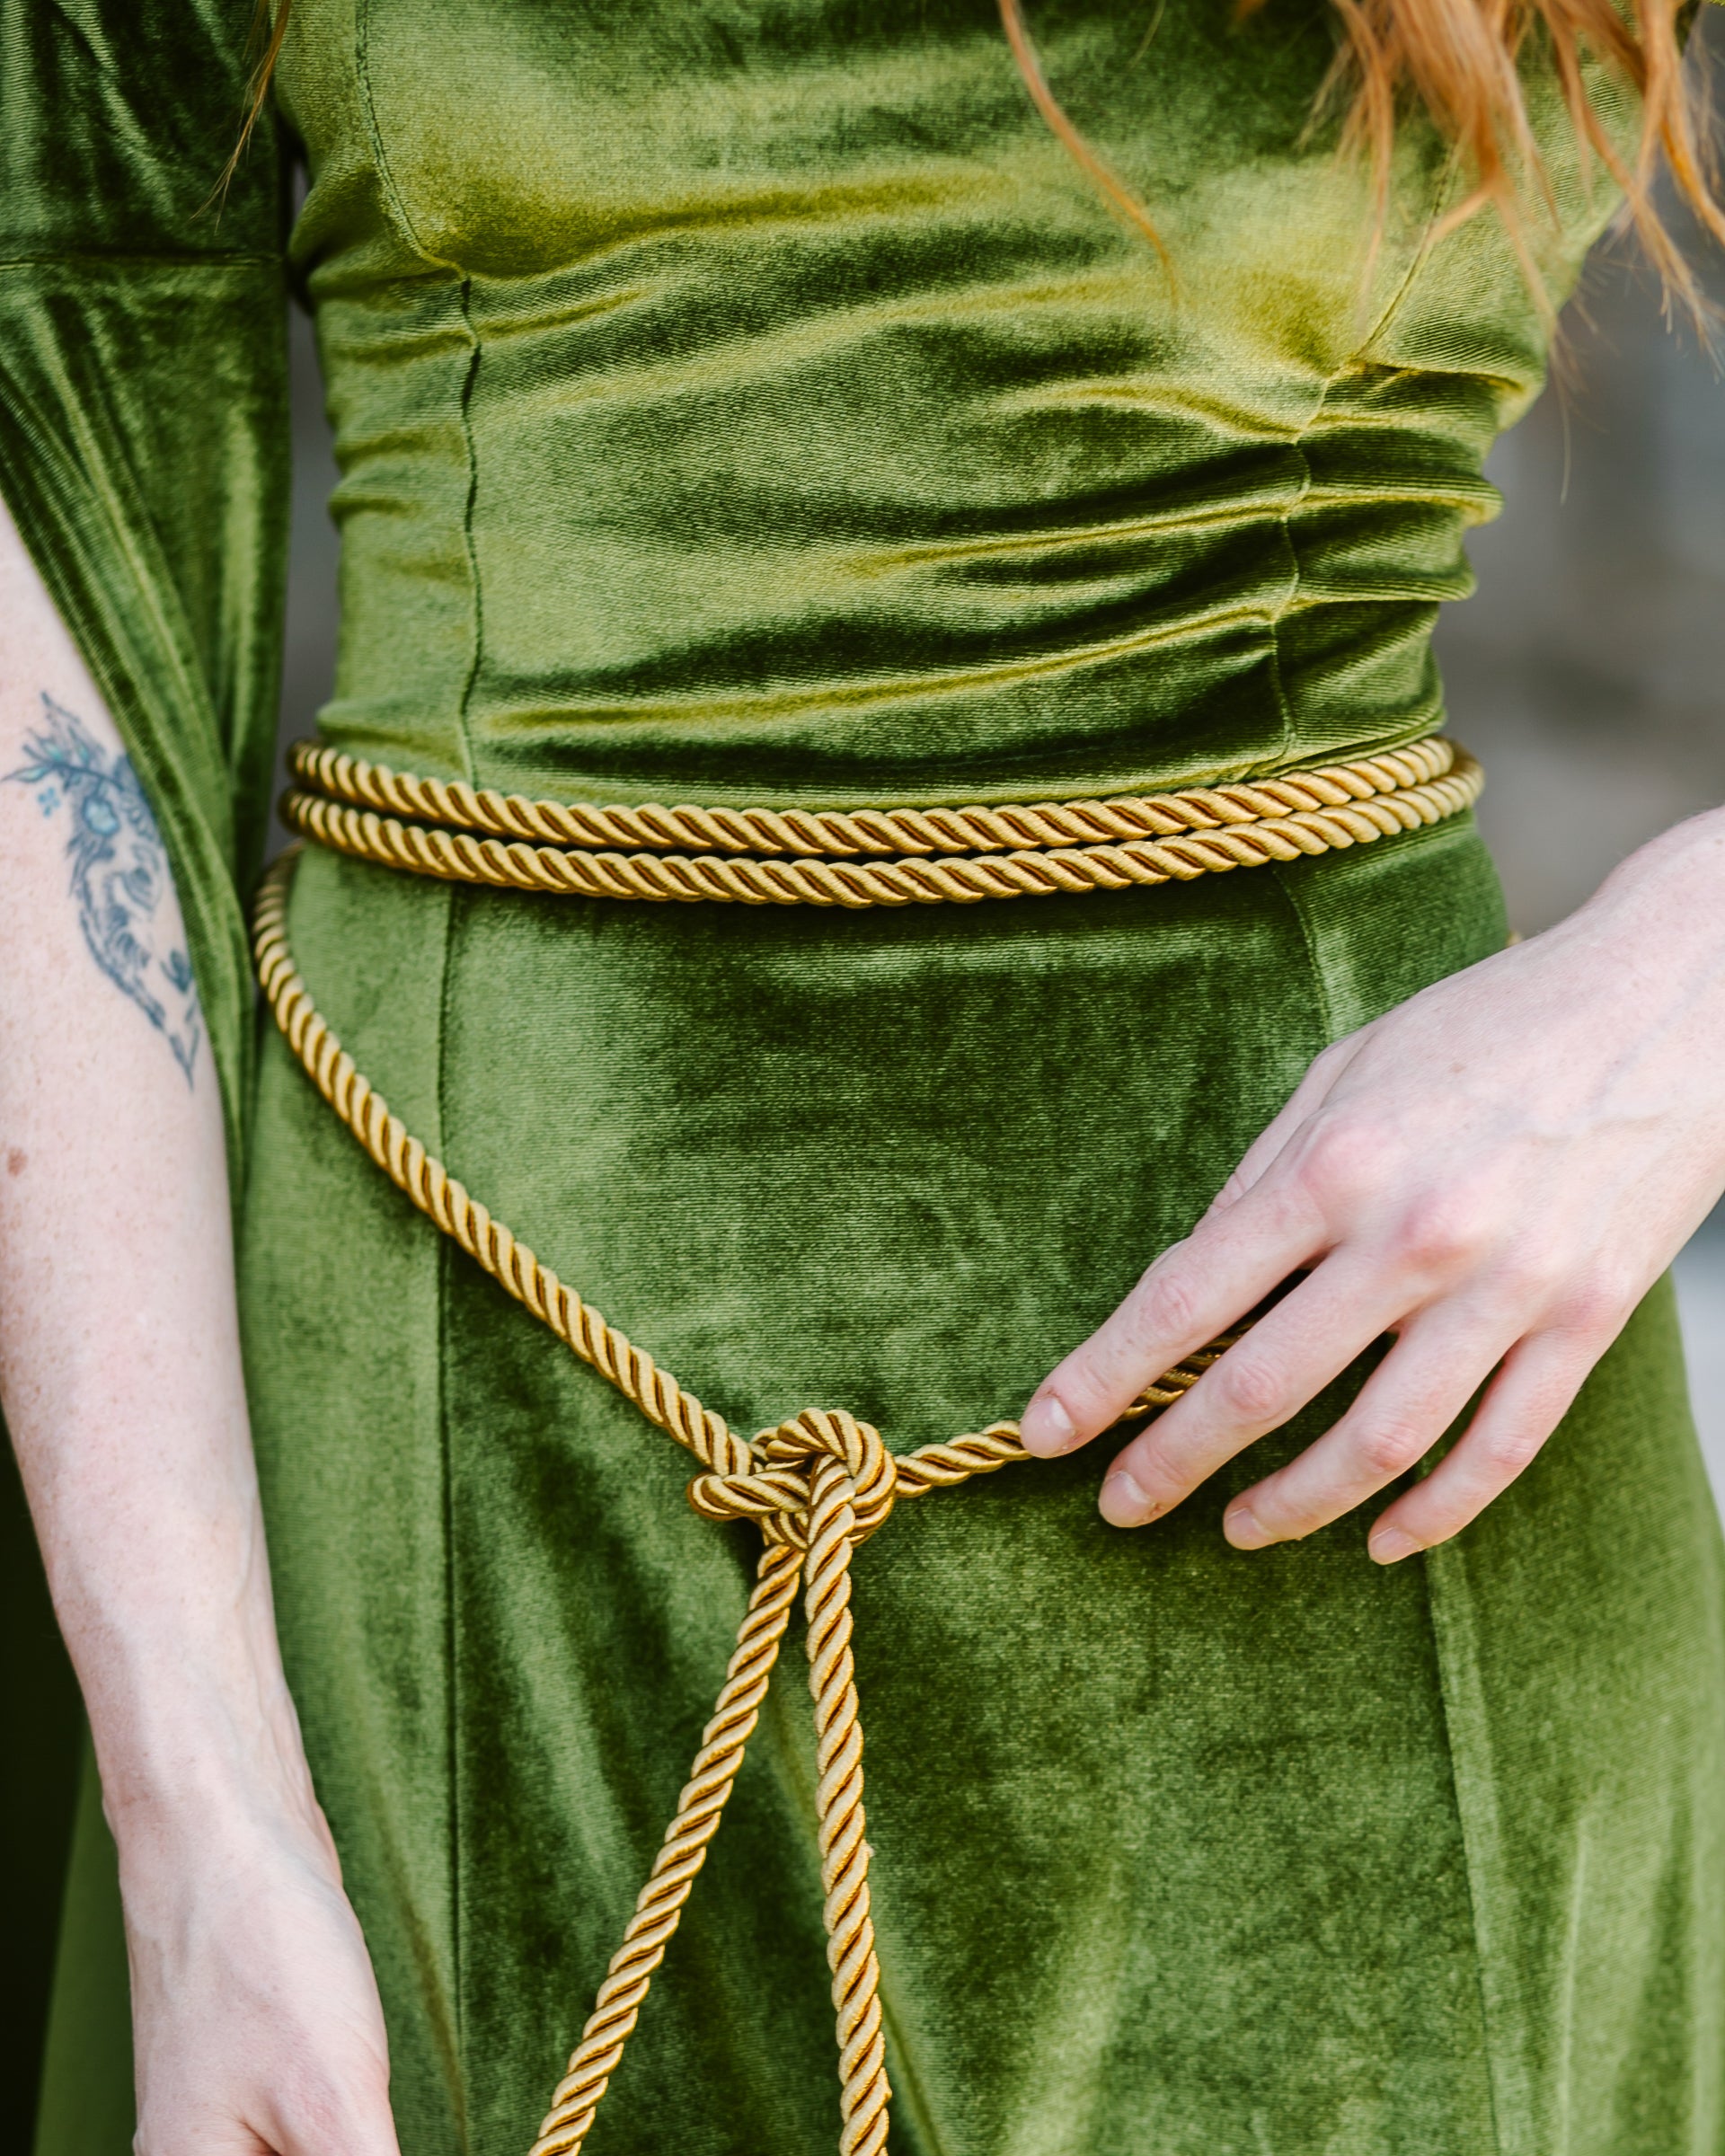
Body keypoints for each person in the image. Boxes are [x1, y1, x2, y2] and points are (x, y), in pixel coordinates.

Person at [4, 0, 1725, 2150]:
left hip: (1357, 1456)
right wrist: (196, 1788)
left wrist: (1694, 985)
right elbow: (55, 496)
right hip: (475, 1522)